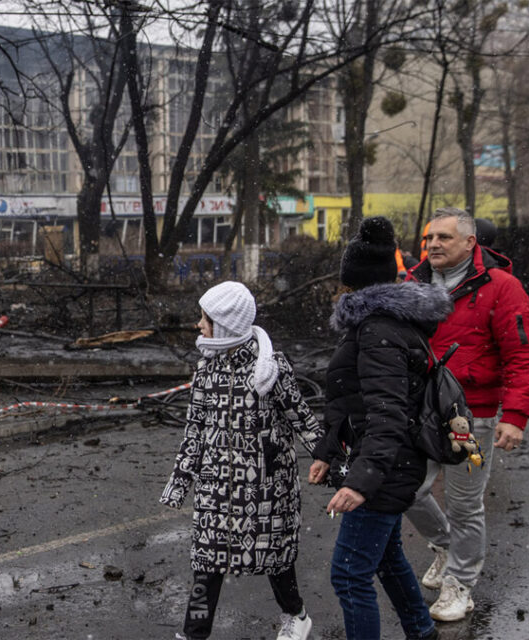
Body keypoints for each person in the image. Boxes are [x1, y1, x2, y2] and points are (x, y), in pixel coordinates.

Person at [309, 216, 451, 640]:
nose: (339, 293)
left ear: (354, 287)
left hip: (387, 468)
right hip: (387, 463)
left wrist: (361, 484)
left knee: (350, 574)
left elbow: (387, 416)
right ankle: (421, 630)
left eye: (344, 286)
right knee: (386, 559)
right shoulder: (375, 325)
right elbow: (350, 400)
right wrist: (326, 451)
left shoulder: (378, 332)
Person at [160, 281, 324, 640]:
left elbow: (302, 419)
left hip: (266, 489)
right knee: (206, 566)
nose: (199, 325)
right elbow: (195, 430)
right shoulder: (206, 369)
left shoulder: (270, 367)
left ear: (226, 324)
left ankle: (296, 615)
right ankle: (194, 634)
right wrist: (179, 482)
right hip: (214, 488)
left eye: (205, 319)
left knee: (276, 562)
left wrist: (334, 464)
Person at [403, 207, 529, 621]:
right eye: (429, 238)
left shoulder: (502, 288)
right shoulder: (412, 284)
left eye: (444, 237)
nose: (434, 245)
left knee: (465, 505)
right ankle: (444, 546)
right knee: (407, 490)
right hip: (420, 412)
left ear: (471, 243)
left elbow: (521, 354)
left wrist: (513, 415)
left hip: (470, 416)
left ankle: (461, 584)